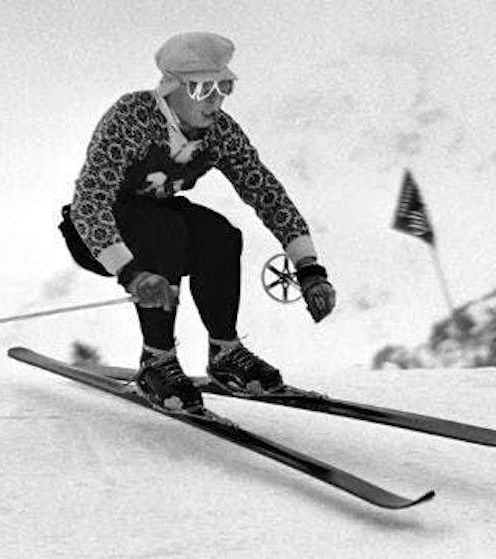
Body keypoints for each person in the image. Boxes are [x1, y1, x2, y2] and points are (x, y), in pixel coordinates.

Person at [59, 31, 336, 413]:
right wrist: (130, 272)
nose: (216, 101)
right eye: (205, 89)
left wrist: (308, 267)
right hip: (96, 235)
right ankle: (156, 360)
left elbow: (264, 191)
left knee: (220, 235)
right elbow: (89, 202)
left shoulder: (219, 132)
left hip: (155, 228)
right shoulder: (132, 118)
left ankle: (225, 354)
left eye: (224, 87)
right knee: (166, 231)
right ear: (172, 87)